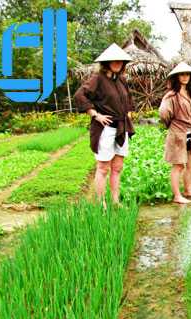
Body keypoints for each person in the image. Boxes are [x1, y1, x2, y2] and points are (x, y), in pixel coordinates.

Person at [74, 43, 134, 207]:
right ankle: (101, 204)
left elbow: (129, 100)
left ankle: (115, 201)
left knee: (117, 167)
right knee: (103, 168)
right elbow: (80, 95)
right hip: (105, 128)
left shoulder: (121, 80)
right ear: (106, 62)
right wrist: (95, 114)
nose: (117, 63)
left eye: (120, 61)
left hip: (121, 127)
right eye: (113, 60)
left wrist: (128, 113)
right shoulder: (97, 79)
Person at [159, 62, 191, 204]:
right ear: (177, 77)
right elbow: (164, 113)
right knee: (178, 165)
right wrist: (171, 124)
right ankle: (177, 195)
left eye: (187, 74)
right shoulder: (172, 95)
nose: (185, 77)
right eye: (182, 74)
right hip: (178, 132)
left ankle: (188, 190)